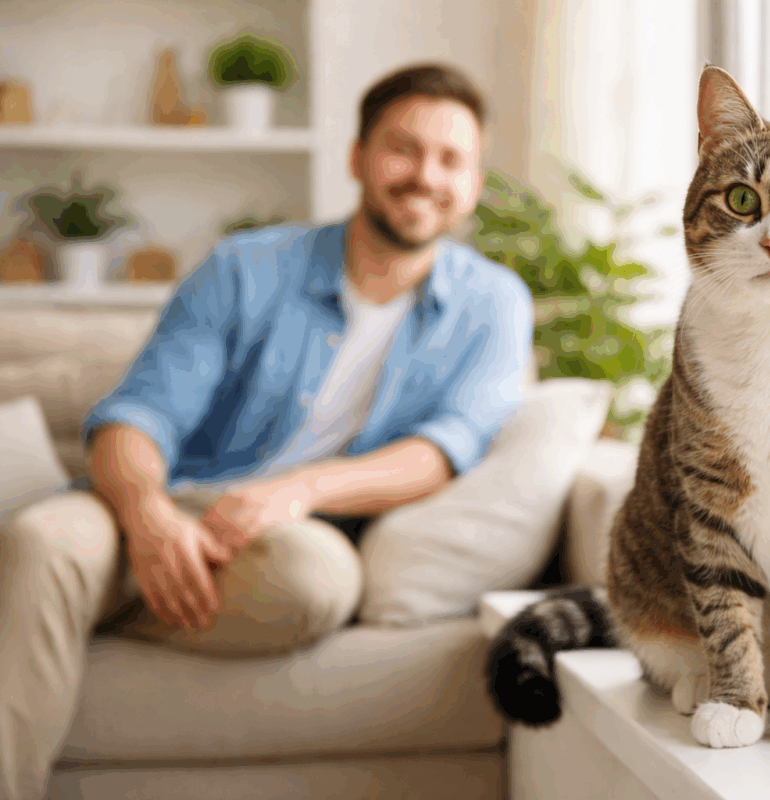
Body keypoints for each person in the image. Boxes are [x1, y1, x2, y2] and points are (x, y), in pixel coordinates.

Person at [0, 63, 532, 800]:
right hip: (147, 503)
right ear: (357, 157)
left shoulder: (494, 305)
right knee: (41, 541)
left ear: (474, 182)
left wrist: (296, 492)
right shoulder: (245, 267)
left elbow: (444, 448)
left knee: (316, 583)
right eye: (403, 148)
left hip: (276, 543)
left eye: (451, 160)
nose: (425, 175)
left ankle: (69, 609)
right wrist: (150, 517)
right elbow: (137, 415)